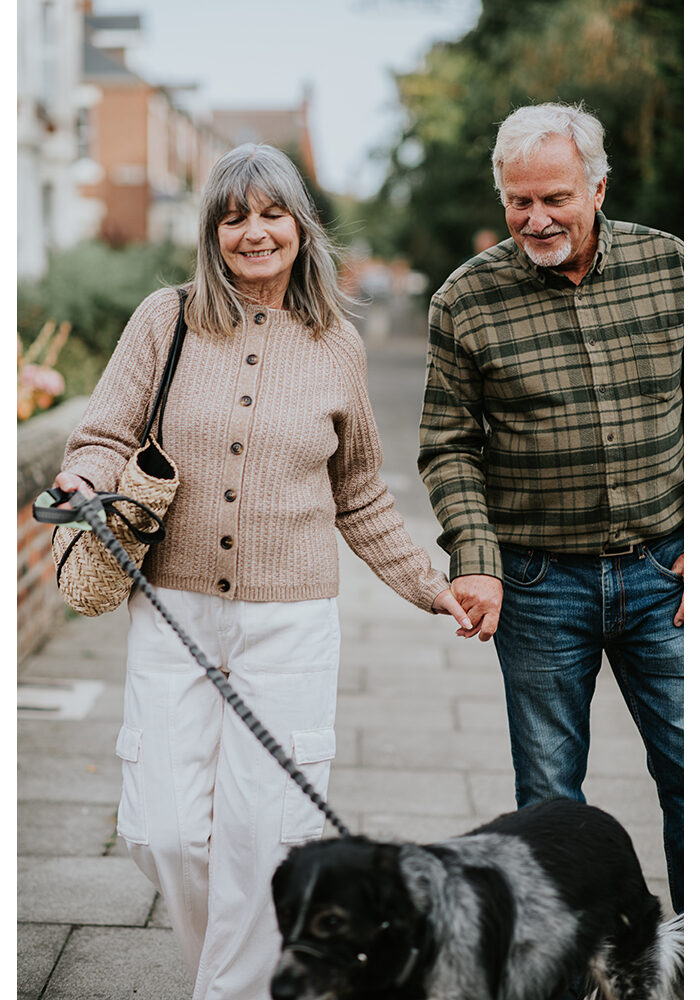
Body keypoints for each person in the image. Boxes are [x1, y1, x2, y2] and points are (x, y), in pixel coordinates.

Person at [54, 144, 469, 1000]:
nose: (255, 232)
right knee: (166, 832)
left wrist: (432, 584)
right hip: (173, 609)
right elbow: (99, 434)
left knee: (264, 838)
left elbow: (359, 494)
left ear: (300, 226)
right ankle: (238, 972)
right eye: (234, 216)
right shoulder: (164, 320)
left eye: (272, 213)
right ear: (212, 232)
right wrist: (85, 478)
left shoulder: (334, 346)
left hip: (292, 626)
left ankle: (230, 991)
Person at [419, 102, 683, 916]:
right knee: (547, 802)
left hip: (663, 576)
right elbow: (448, 446)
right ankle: (560, 975)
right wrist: (477, 560)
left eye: (555, 199)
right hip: (537, 585)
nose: (535, 219)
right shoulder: (466, 299)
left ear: (599, 188)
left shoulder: (674, 268)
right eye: (518, 201)